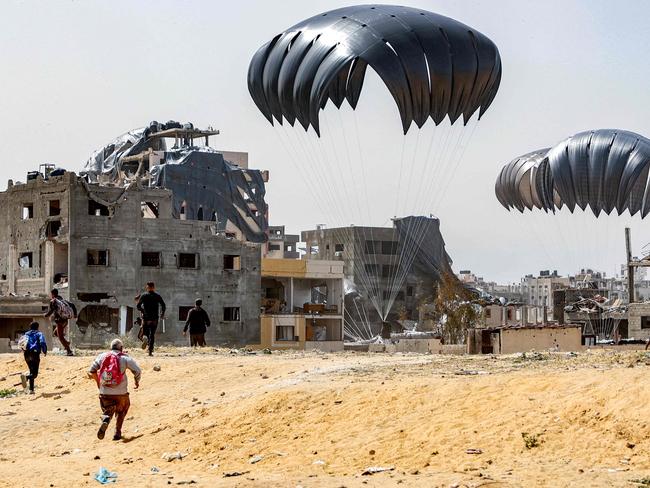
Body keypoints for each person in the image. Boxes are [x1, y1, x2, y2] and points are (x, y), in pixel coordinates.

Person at [88, 339, 141, 441]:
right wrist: (136, 381)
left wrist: (98, 382)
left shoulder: (102, 356)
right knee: (123, 408)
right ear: (121, 348)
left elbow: (92, 370)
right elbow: (137, 370)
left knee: (108, 407)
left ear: (111, 347)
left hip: (105, 393)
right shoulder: (124, 357)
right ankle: (117, 432)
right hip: (121, 393)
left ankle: (106, 418)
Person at [136, 282, 166, 356]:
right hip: (154, 318)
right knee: (152, 334)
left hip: (146, 318)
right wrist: (162, 314)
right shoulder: (157, 296)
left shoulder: (144, 295)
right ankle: (150, 351)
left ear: (147, 287)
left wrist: (143, 311)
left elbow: (138, 306)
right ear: (153, 287)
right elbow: (163, 305)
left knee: (145, 333)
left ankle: (145, 338)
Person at [44, 288, 76, 356]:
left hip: (59, 321)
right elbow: (72, 305)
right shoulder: (63, 300)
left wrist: (46, 315)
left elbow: (51, 311)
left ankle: (69, 351)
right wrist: (75, 315)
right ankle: (67, 343)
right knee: (55, 333)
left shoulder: (53, 301)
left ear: (52, 294)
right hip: (65, 320)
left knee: (60, 337)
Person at [20, 322, 47, 394]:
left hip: (26, 354)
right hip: (34, 354)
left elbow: (21, 343)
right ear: (37, 327)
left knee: (31, 371)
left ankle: (31, 390)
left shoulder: (26, 334)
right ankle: (26, 378)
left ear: (30, 327)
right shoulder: (39, 334)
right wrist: (44, 351)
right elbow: (42, 342)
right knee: (35, 374)